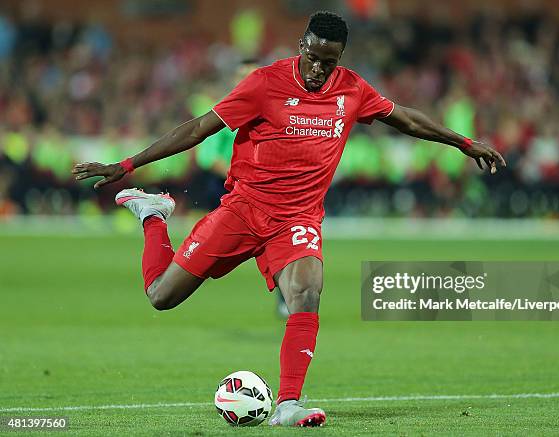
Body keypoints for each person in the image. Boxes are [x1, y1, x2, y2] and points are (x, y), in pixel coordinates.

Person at [72, 11, 505, 427]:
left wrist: (463, 143)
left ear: (340, 59)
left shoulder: (352, 89)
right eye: (312, 57)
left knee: (307, 291)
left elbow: (405, 118)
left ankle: (289, 403)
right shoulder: (264, 83)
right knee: (161, 296)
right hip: (243, 209)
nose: (318, 68)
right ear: (302, 46)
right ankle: (153, 215)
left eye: (328, 61)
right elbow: (199, 128)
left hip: (297, 218)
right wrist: (127, 165)